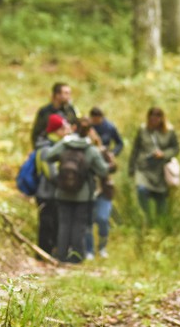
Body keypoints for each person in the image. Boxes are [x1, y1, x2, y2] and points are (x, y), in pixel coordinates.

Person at [45, 118, 110, 263]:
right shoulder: (91, 149)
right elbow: (103, 170)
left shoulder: (64, 144)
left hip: (62, 192)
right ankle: (77, 257)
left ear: (74, 128)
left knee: (64, 224)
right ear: (89, 131)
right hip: (83, 194)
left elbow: (49, 156)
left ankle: (61, 256)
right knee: (79, 226)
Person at [128, 107, 180, 224]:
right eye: (152, 119)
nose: (154, 121)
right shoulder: (142, 130)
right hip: (144, 168)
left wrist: (164, 154)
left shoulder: (169, 131)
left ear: (161, 119)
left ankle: (159, 224)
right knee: (141, 189)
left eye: (157, 118)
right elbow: (135, 149)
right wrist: (131, 167)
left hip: (161, 169)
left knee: (161, 198)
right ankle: (146, 216)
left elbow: (176, 148)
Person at [85, 107, 122, 259]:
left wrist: (109, 156)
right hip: (87, 189)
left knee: (102, 219)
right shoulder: (82, 151)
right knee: (87, 220)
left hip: (104, 189)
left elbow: (113, 166)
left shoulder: (104, 145)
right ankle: (89, 250)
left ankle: (102, 247)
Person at [34, 114, 70, 256]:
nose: (68, 129)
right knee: (47, 226)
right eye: (65, 127)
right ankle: (43, 256)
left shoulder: (60, 146)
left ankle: (54, 254)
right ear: (57, 130)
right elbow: (51, 174)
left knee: (57, 225)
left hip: (57, 194)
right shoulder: (45, 149)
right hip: (46, 194)